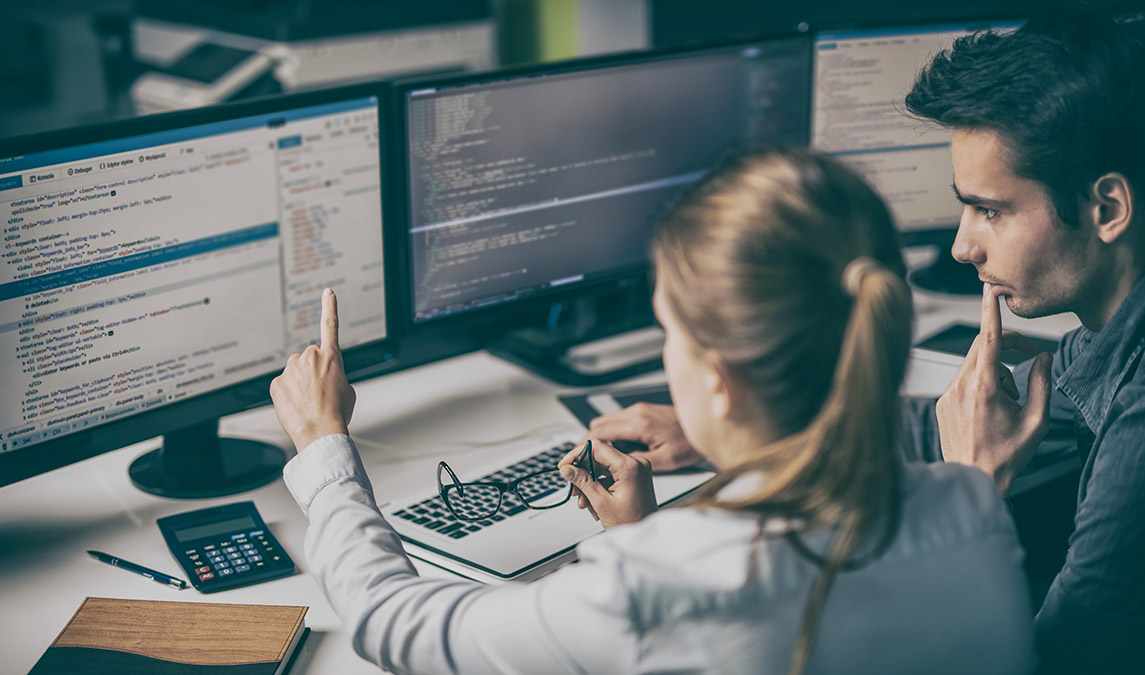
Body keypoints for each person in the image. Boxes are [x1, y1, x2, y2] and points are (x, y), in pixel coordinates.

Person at [596, 6, 1145, 673]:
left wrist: (973, 490)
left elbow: (1052, 660)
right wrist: (747, 424)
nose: (961, 244)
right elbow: (959, 420)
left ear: (1107, 209)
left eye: (990, 210)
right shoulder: (1135, 315)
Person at [270, 148, 1033, 674]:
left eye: (671, 330)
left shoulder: (656, 584)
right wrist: (641, 538)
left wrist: (322, 442)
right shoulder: (973, 500)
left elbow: (394, 624)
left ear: (722, 381)